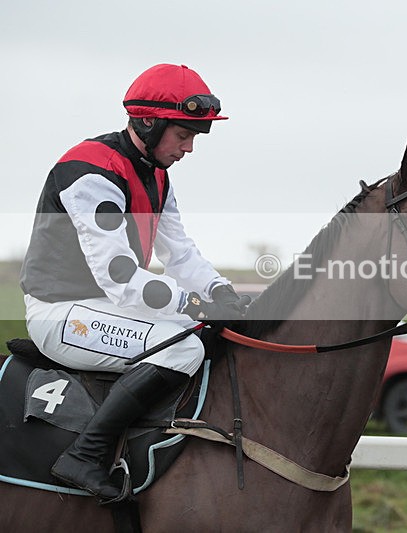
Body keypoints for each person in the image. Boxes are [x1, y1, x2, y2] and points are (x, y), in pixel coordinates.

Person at [20, 63, 249, 502]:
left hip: (105, 307)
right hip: (61, 313)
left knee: (211, 332)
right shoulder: (90, 172)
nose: (189, 148)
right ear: (149, 121)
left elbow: (179, 252)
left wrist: (222, 292)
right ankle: (85, 455)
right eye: (183, 135)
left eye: (195, 137)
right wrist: (195, 305)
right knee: (185, 345)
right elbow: (122, 277)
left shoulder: (158, 175)